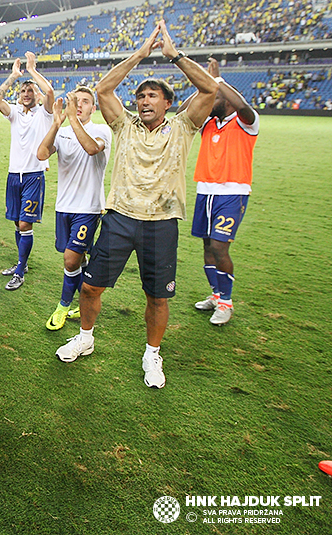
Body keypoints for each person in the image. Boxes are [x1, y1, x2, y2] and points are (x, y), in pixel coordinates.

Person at [55, 21, 218, 389]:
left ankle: (151, 353)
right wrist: (140, 54)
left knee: (157, 296)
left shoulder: (183, 127)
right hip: (120, 218)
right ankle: (85, 336)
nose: (144, 100)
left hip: (162, 221)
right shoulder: (123, 125)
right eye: (141, 95)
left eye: (153, 96)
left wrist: (173, 56)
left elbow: (210, 88)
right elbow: (104, 88)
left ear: (168, 103)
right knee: (90, 288)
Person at [178, 58, 259, 326]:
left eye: (212, 99)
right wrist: (205, 87)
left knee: (219, 246)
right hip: (206, 190)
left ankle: (227, 302)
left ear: (224, 100)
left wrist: (217, 81)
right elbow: (182, 111)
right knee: (206, 246)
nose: (207, 103)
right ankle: (216, 294)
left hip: (232, 192)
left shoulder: (246, 121)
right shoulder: (209, 124)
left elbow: (244, 107)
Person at [36, 87, 111, 330]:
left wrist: (70, 119)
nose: (79, 105)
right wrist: (56, 124)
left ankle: (63, 306)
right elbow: (41, 153)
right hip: (63, 206)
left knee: (70, 261)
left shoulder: (101, 131)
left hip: (88, 208)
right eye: (75, 101)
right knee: (78, 258)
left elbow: (91, 148)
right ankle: (87, 298)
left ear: (93, 108)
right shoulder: (64, 131)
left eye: (85, 102)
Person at [0, 51, 54, 291]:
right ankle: (22, 263)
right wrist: (13, 76)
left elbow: (49, 92)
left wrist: (31, 70)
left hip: (33, 175)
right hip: (13, 175)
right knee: (17, 224)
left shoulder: (45, 114)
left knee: (26, 225)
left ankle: (20, 271)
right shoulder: (15, 113)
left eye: (30, 91)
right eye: (23, 91)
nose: (27, 94)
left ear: (36, 95)